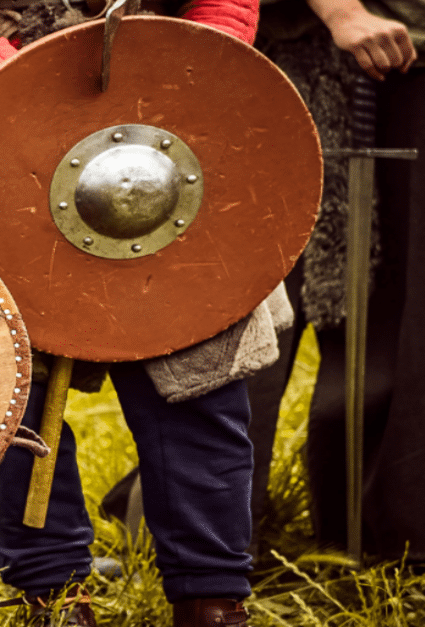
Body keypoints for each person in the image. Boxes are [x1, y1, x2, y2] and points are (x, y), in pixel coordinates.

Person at [0, 1, 284, 625]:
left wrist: (193, 71)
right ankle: (53, 595)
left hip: (159, 115)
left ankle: (213, 598)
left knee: (197, 364)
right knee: (6, 378)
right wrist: (27, 96)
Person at [254, 0, 424, 561]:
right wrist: (342, 9)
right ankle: (208, 539)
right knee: (259, 317)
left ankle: (378, 523)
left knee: (394, 314)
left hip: (398, 58)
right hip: (335, 63)